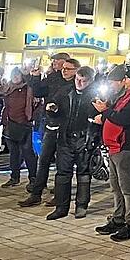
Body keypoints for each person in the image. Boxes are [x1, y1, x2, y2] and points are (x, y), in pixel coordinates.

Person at [93, 66, 130, 242]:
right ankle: (118, 218)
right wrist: (106, 112)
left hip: (129, 146)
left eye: (126, 78)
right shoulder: (128, 94)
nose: (124, 80)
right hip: (116, 146)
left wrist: (105, 112)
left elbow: (124, 118)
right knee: (116, 186)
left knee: (128, 188)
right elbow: (116, 113)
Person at [21, 55, 78, 206]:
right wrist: (34, 77)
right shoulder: (53, 77)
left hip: (66, 128)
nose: (62, 69)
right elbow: (38, 91)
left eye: (66, 67)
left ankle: (59, 196)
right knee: (43, 160)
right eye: (62, 67)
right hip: (51, 124)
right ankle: (36, 194)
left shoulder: (77, 83)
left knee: (62, 165)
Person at [45, 66, 98, 220]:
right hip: (65, 138)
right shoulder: (65, 91)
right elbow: (54, 108)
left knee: (84, 174)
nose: (79, 83)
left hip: (85, 139)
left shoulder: (96, 95)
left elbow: (100, 116)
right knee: (62, 174)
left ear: (91, 81)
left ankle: (81, 205)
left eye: (83, 81)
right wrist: (52, 110)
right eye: (77, 79)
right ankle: (61, 207)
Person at [0, 68, 37, 187]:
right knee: (14, 153)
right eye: (13, 74)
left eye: (18, 75)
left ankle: (33, 178)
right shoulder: (8, 88)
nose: (15, 77)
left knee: (27, 153)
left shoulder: (28, 89)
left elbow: (34, 104)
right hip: (10, 123)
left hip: (24, 123)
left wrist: (30, 118)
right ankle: (14, 177)